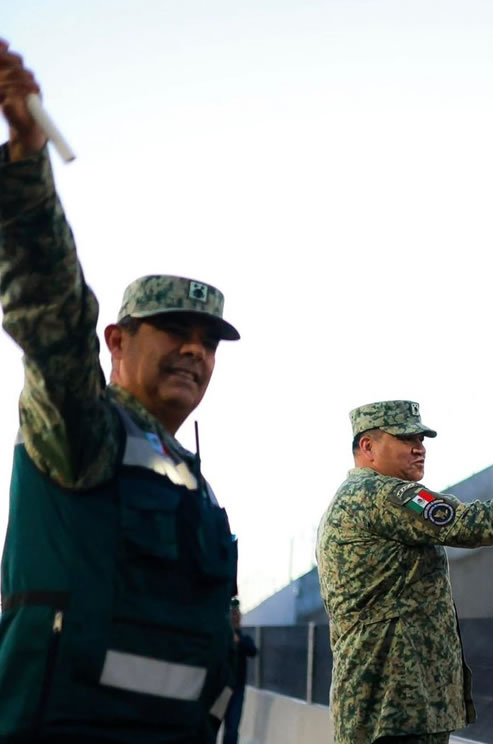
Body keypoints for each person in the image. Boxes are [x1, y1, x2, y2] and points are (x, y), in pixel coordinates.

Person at [0, 40, 241, 743]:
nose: (194, 350)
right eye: (174, 330)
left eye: (208, 341)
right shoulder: (86, 430)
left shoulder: (188, 477)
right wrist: (28, 162)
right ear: (116, 341)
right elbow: (52, 313)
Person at [316, 400, 493, 744]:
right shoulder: (379, 494)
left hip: (387, 702)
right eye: (406, 439)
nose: (419, 448)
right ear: (368, 446)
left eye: (421, 439)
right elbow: (463, 522)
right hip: (395, 704)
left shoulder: (351, 499)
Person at [221, 600, 258, 744]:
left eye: (237, 615)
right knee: (213, 726)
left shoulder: (244, 639)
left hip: (237, 691)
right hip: (222, 690)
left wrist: (238, 641)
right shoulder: (222, 637)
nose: (236, 618)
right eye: (233, 615)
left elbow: (253, 651)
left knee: (232, 730)